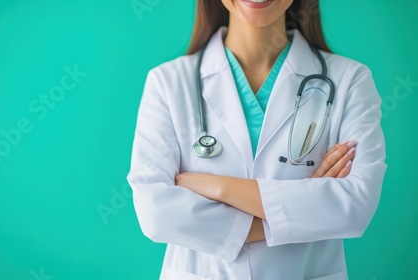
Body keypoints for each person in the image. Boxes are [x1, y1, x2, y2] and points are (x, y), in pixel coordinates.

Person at [127, 0, 387, 279]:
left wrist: (218, 187)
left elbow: (355, 207)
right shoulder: (168, 82)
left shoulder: (350, 80)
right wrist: (302, 208)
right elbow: (156, 214)